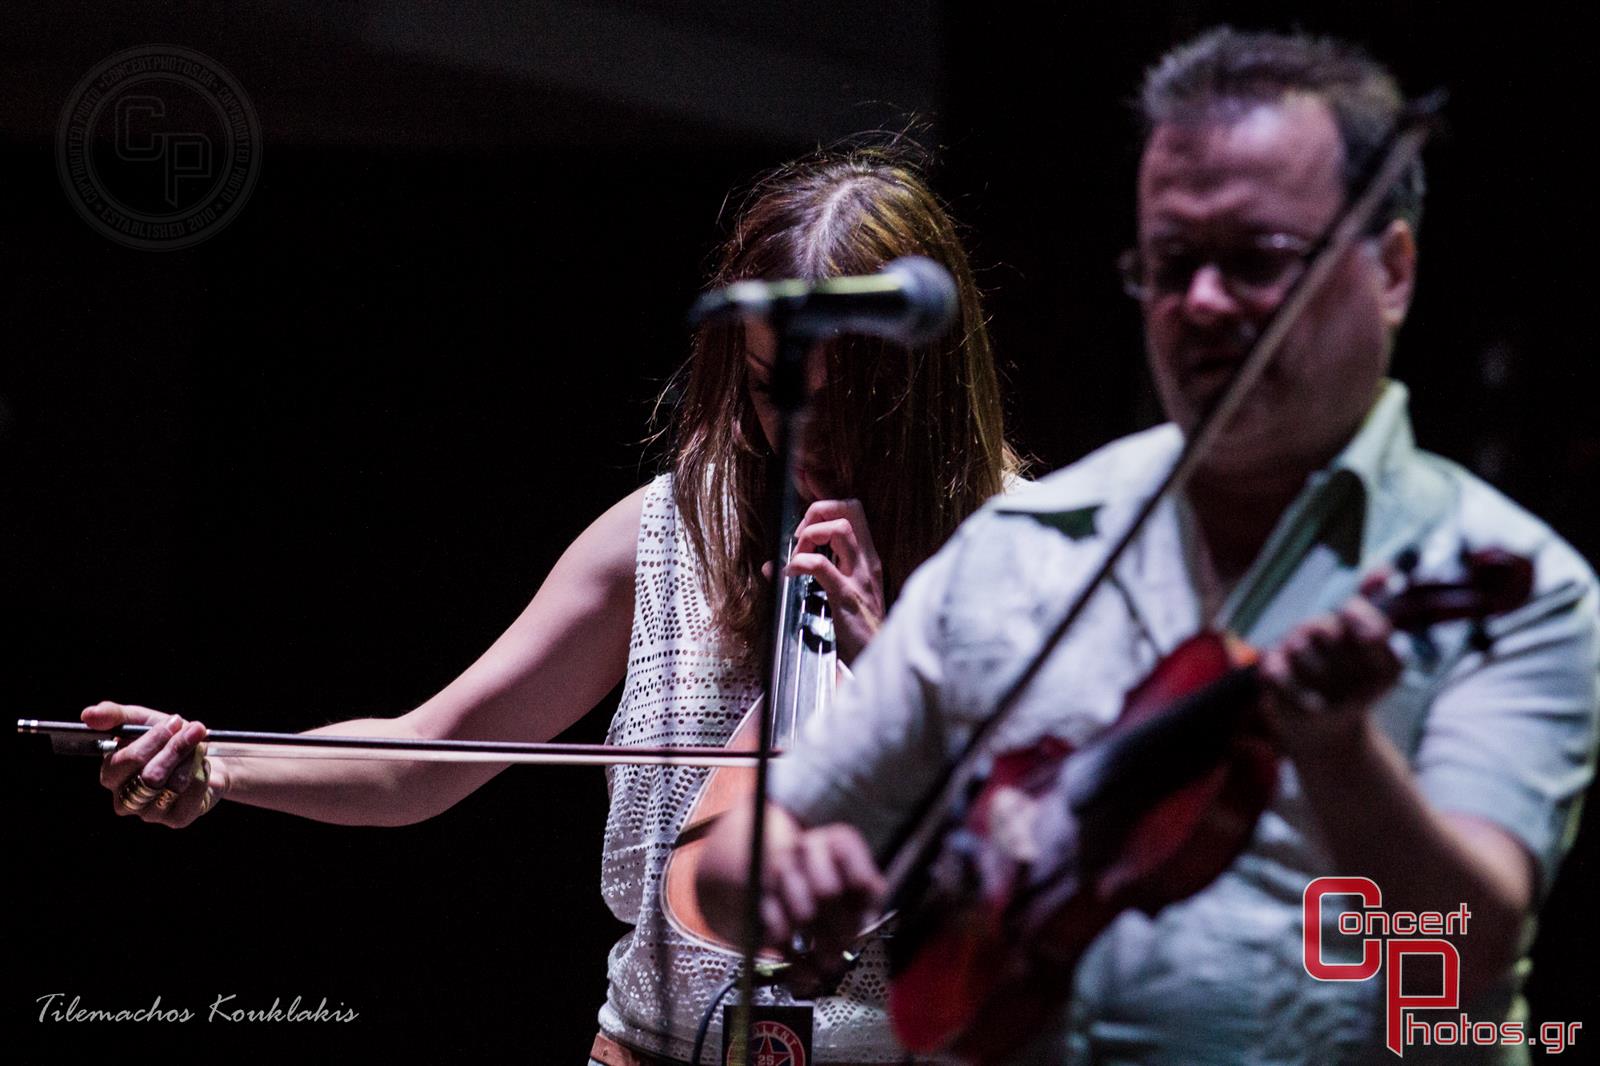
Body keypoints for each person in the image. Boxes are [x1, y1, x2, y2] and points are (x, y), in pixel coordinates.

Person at [697, 29, 1600, 1065]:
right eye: (1173, 264)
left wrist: (1342, 751)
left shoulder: (1512, 576)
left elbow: (1471, 942)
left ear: (1389, 272)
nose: (1204, 302)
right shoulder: (1021, 547)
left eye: (1256, 261)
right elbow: (735, 866)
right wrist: (784, 873)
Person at [82, 144, 1021, 1064]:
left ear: (926, 387)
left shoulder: (1022, 552)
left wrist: (892, 658)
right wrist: (219, 766)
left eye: (856, 401)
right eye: (780, 393)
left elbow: (1060, 856)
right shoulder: (668, 530)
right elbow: (424, 756)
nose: (808, 438)